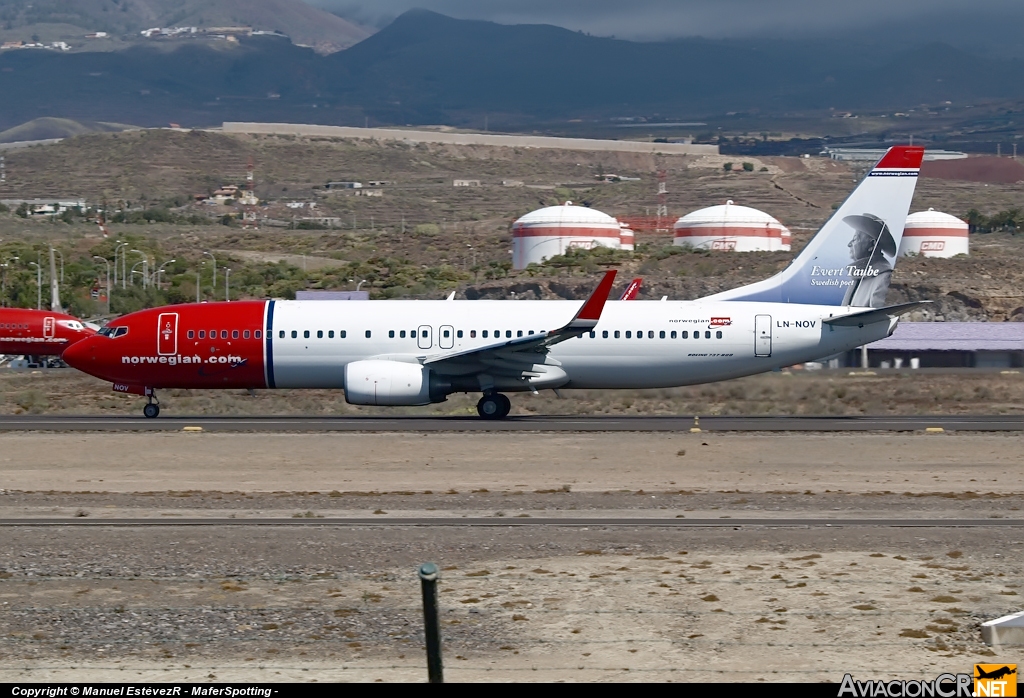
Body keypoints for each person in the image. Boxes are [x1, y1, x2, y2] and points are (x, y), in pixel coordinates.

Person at [842, 213, 897, 307]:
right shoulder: (861, 275)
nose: (849, 244)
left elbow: (878, 318)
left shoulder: (883, 278)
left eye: (855, 238)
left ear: (872, 244)